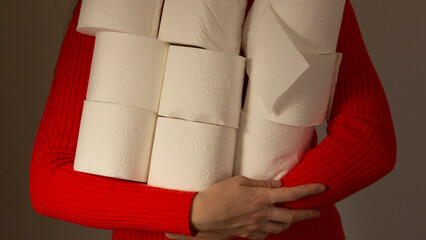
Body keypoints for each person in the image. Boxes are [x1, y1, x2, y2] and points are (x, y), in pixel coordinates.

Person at [29, 0, 397, 239]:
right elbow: (49, 177)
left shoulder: (304, 6)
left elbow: (369, 136)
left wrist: (255, 209)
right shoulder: (115, 10)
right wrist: (193, 213)